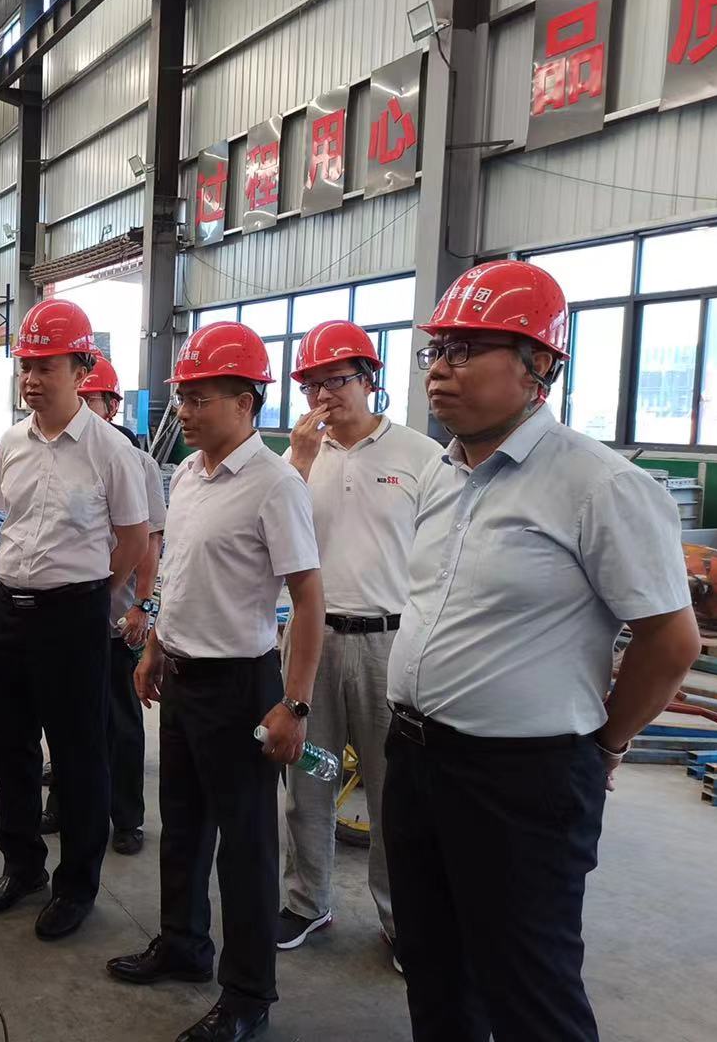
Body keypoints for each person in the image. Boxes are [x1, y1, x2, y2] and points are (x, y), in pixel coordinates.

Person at [385, 260, 700, 1041]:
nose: (439, 370)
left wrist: (606, 743)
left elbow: (670, 639)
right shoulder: (442, 474)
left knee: (529, 988)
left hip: (521, 781)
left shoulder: (600, 486)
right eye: (435, 351)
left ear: (539, 368)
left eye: (465, 350)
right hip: (416, 759)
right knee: (434, 967)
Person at [108, 321, 325, 1042]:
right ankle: (183, 944)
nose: (186, 410)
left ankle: (249, 993)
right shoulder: (187, 475)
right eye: (184, 397)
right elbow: (178, 574)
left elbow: (309, 598)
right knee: (183, 826)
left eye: (199, 398)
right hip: (182, 677)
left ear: (245, 401)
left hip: (241, 688)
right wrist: (155, 646)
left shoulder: (276, 485)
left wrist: (294, 702)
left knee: (246, 847)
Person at [0, 299, 150, 942]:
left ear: (81, 370)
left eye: (45, 365)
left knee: (79, 755)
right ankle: (23, 866)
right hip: (6, 609)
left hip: (73, 615)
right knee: (10, 748)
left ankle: (77, 884)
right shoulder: (12, 444)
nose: (31, 378)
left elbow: (134, 538)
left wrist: (96, 597)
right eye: (26, 365)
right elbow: (11, 519)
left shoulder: (111, 450)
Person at [276, 320, 442, 969]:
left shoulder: (419, 456)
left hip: (388, 646)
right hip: (313, 644)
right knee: (310, 778)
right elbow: (274, 541)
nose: (324, 395)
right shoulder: (297, 461)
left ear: (370, 380)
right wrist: (298, 465)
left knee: (389, 789)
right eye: (312, 384)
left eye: (337, 380)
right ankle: (306, 900)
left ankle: (402, 920)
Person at [42, 357, 167, 856]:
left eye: (90, 398)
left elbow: (149, 542)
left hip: (114, 616)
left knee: (120, 720)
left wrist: (142, 604)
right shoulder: (54, 453)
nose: (79, 406)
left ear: (112, 406)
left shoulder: (136, 462)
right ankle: (63, 803)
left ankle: (127, 816)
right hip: (63, 616)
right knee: (64, 716)